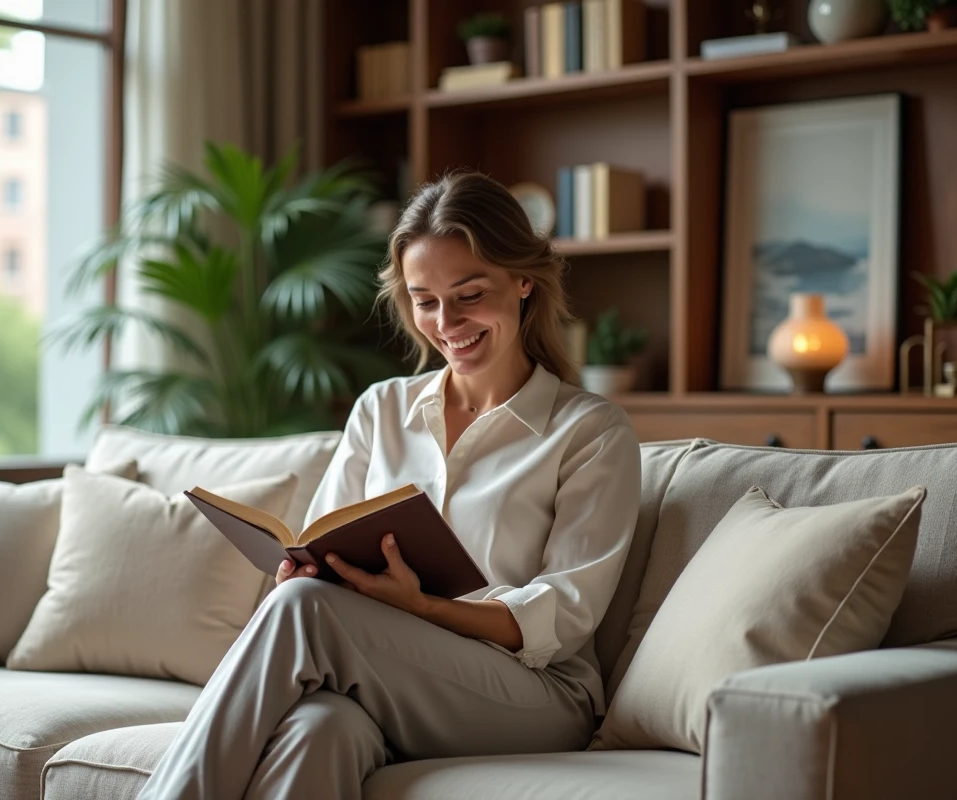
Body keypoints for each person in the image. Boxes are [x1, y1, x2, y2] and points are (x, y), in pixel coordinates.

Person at [136, 171, 641, 800]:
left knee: (301, 612)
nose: (446, 320)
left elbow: (564, 617)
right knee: (322, 728)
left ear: (523, 282)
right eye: (425, 299)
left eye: (469, 293)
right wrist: (301, 570)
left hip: (534, 695)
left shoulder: (589, 431)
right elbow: (318, 549)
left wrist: (421, 607)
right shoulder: (381, 410)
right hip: (384, 672)